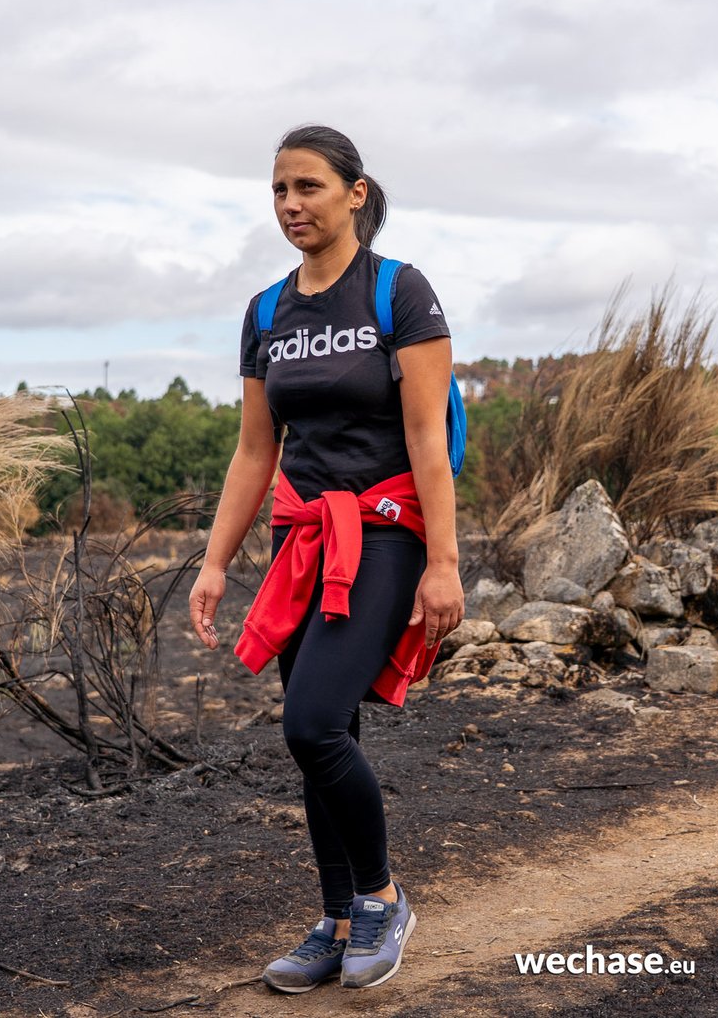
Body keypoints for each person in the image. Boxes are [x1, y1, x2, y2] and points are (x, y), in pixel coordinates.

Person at [188, 125, 463, 992]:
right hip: (301, 537)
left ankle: (382, 897)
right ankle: (339, 916)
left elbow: (427, 437)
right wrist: (214, 562)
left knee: (310, 723)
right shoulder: (267, 312)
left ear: (355, 193)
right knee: (327, 736)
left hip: (383, 532)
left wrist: (444, 563)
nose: (290, 204)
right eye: (278, 189)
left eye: (307, 186)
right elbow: (253, 451)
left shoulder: (398, 291)